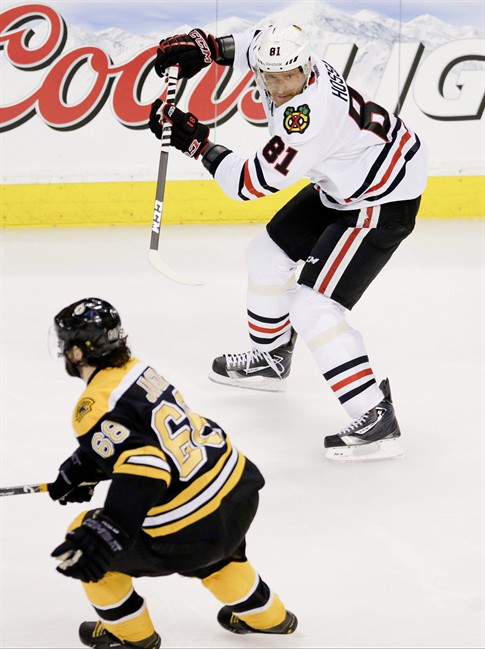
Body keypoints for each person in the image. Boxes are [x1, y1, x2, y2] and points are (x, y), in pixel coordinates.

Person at [148, 23, 428, 463]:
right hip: (344, 182)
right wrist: (207, 48)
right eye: (271, 77)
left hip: (381, 200)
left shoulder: (308, 119)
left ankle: (375, 414)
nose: (280, 87)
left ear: (306, 69)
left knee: (314, 307)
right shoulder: (297, 63)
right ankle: (270, 358)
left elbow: (250, 183)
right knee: (266, 254)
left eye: (289, 76)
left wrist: (196, 143)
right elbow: (253, 48)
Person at [48, 297, 297, 649]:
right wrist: (83, 465)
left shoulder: (92, 407)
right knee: (220, 557)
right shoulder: (139, 371)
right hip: (236, 491)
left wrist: (108, 529)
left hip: (190, 529)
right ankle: (269, 617)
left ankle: (132, 636)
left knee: (88, 546)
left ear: (76, 353)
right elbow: (146, 437)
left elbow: (147, 466)